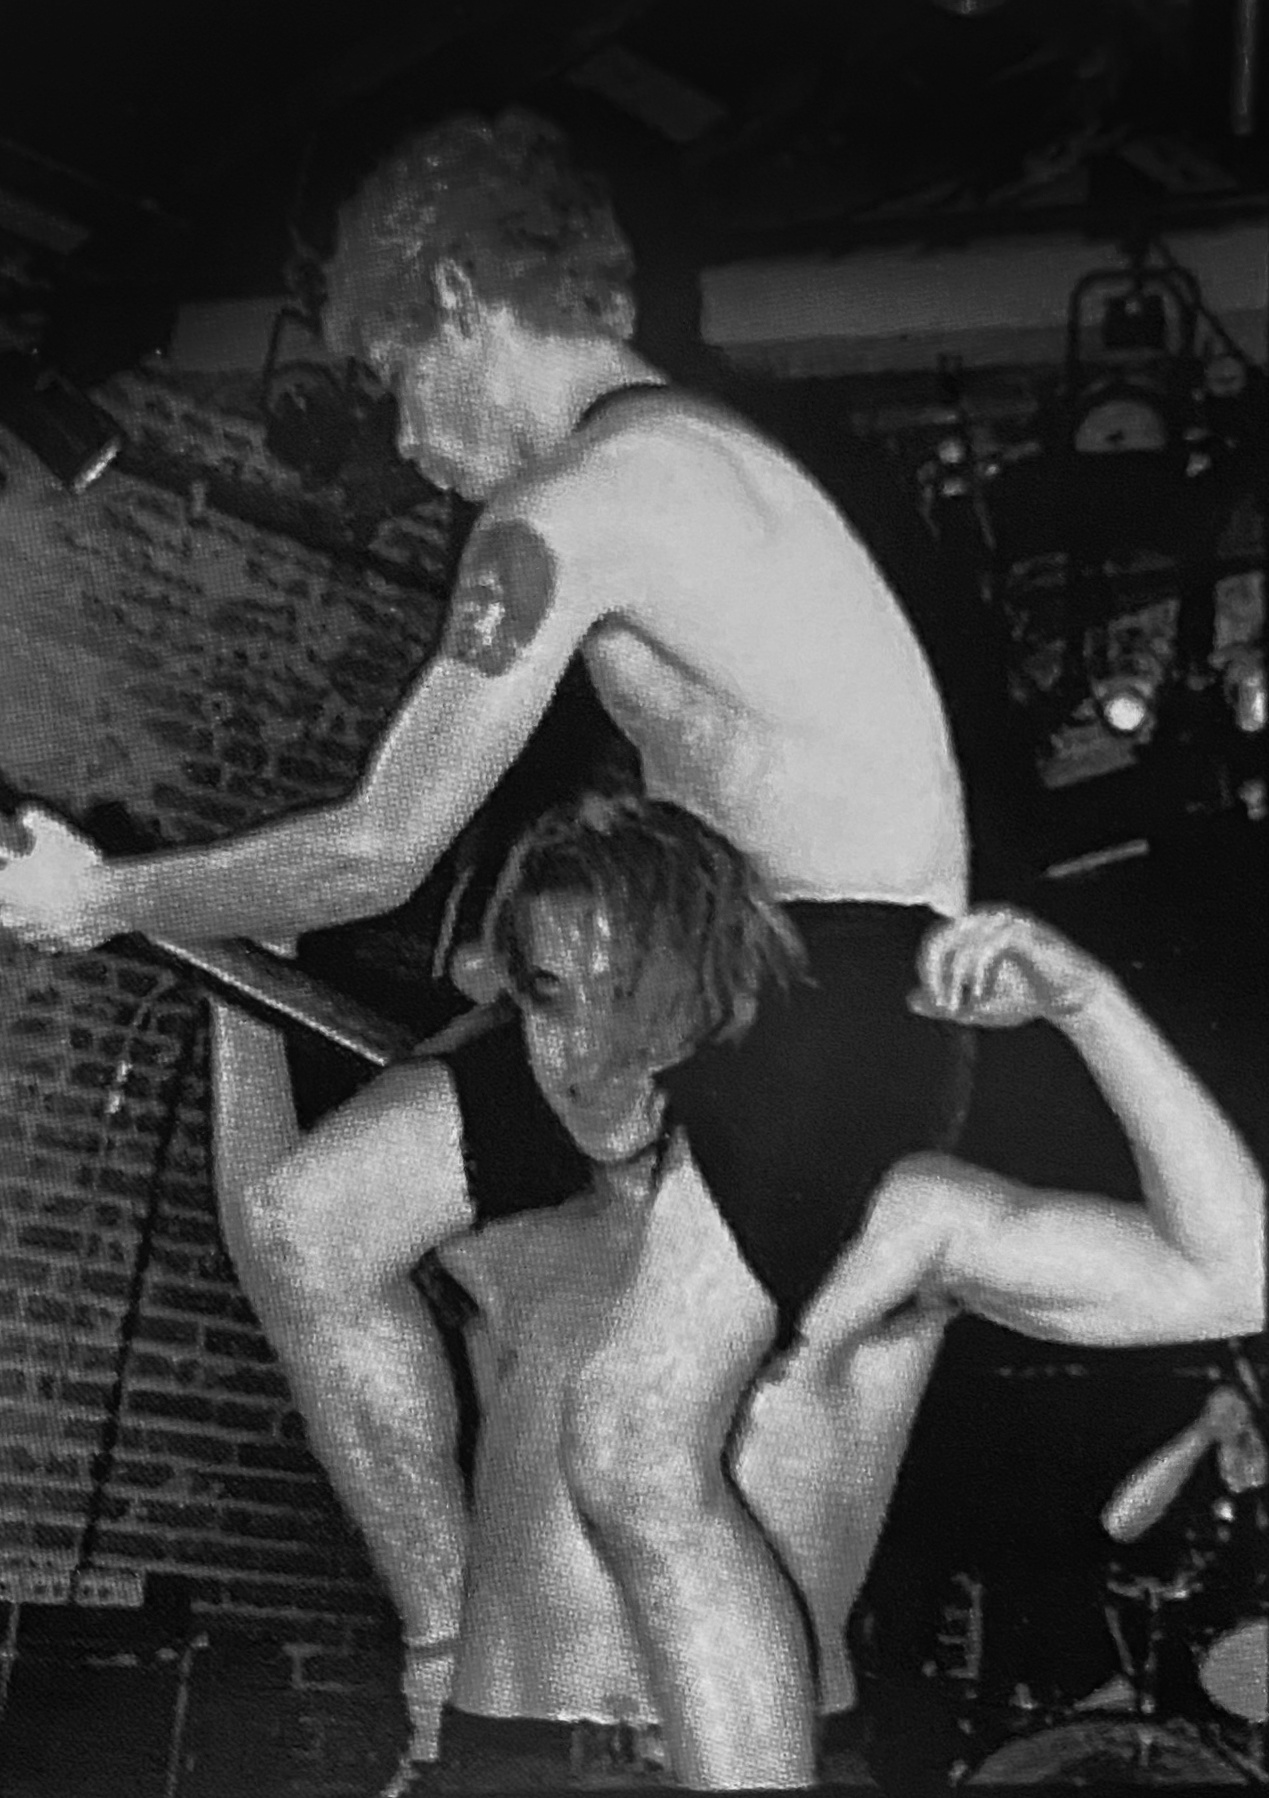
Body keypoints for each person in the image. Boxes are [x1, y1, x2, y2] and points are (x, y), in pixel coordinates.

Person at [0, 108, 973, 1785]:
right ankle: (450, 1661)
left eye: (396, 376)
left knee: (634, 1439)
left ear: (460, 300)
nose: (402, 434)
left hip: (838, 981)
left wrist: (107, 897)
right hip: (695, 973)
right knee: (311, 1227)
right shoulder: (664, 479)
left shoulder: (586, 497)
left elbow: (383, 843)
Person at [209, 801, 1262, 1796]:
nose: (586, 1056)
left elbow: (1230, 1276)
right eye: (551, 999)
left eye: (630, 998)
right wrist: (236, 986)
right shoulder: (502, 1226)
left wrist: (1086, 1004)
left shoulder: (890, 1220)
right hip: (502, 1761)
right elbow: (285, 1251)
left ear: (721, 1006)